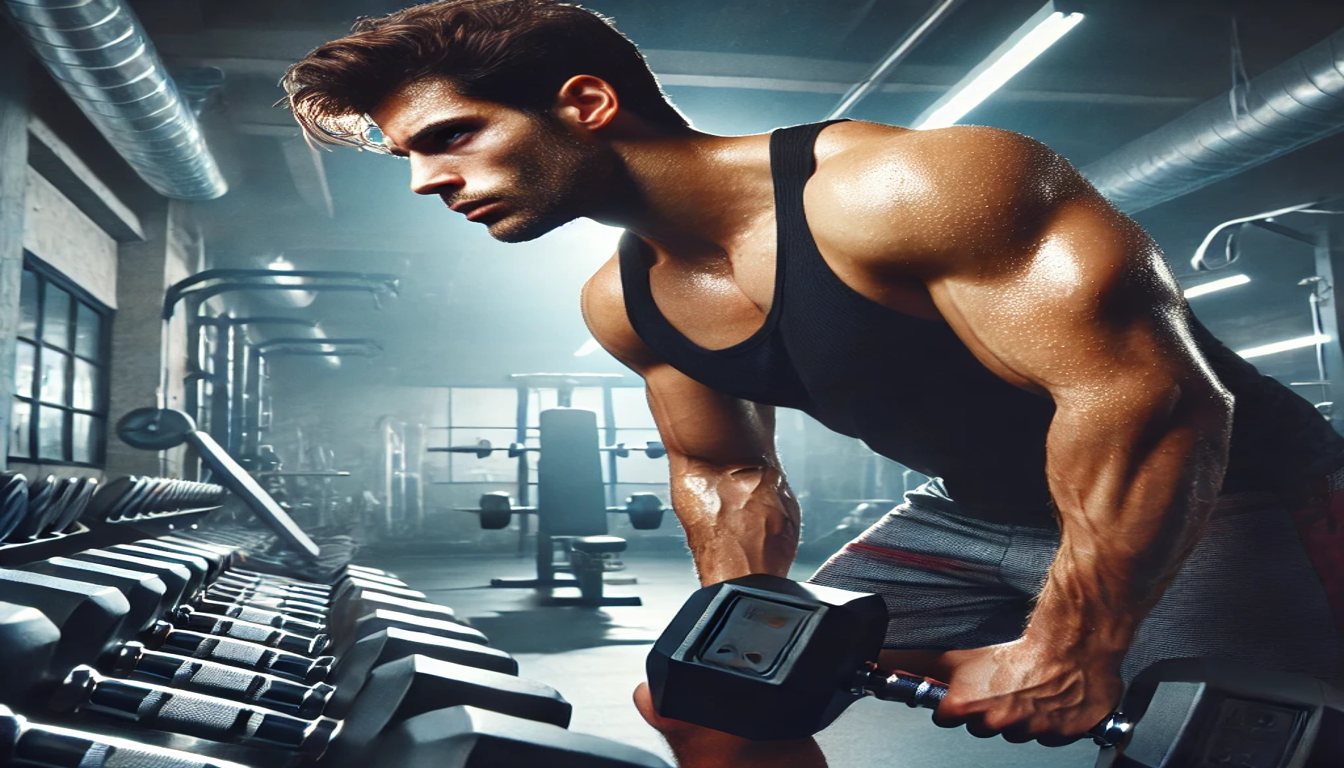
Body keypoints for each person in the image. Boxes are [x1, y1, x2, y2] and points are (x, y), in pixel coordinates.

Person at [282, 1, 1344, 764]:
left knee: (1215, 741)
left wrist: (1073, 644)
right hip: (973, 518)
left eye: (451, 138)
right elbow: (727, 472)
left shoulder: (905, 190)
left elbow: (1149, 401)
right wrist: (737, 642)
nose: (427, 180)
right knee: (704, 702)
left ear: (587, 101)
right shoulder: (626, 300)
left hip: (1228, 496)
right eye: (407, 159)